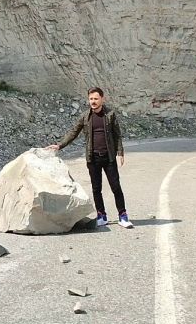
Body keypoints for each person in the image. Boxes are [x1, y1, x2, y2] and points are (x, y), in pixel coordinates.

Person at [47, 87, 133, 228]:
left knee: (116, 187)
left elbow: (117, 135)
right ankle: (101, 215)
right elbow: (73, 132)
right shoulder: (85, 116)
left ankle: (122, 216)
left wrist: (120, 152)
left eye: (96, 99)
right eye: (91, 99)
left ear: (102, 99)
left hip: (109, 158)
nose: (93, 101)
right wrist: (60, 145)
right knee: (96, 188)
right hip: (93, 159)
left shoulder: (110, 115)